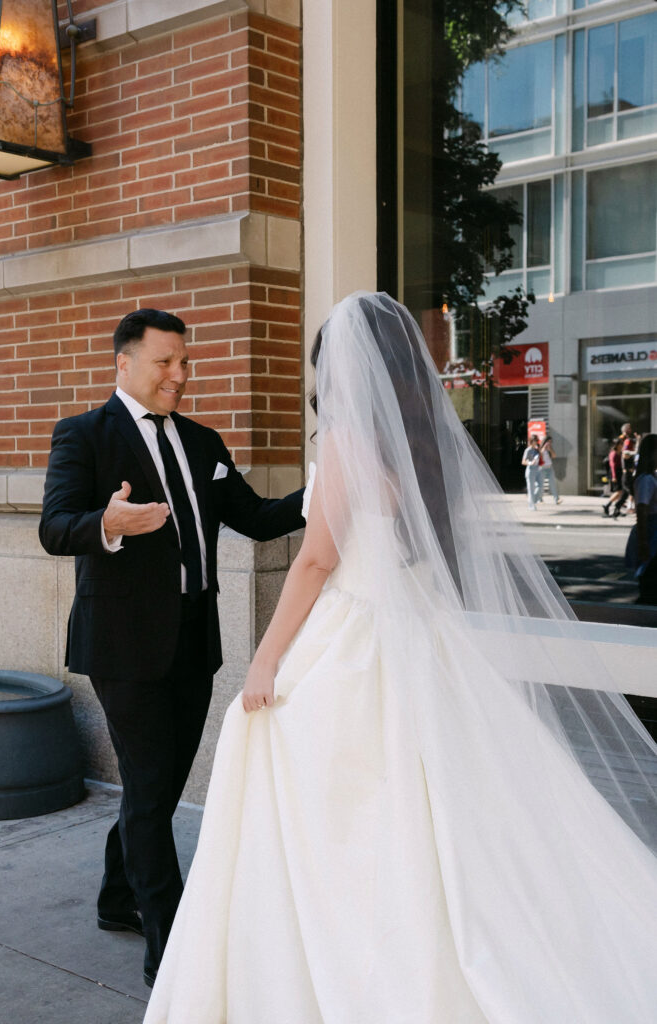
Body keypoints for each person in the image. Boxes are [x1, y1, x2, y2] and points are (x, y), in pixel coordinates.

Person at [143, 293, 657, 1024]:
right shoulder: (422, 445)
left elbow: (316, 560)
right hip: (419, 637)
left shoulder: (350, 439)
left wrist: (264, 661)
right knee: (434, 806)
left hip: (352, 637)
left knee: (297, 774)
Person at [38, 309, 305, 988]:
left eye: (185, 362)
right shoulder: (84, 436)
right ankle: (170, 945)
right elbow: (54, 526)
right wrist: (108, 522)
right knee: (152, 786)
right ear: (124, 363)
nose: (180, 376)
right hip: (123, 647)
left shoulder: (204, 441)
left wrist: (328, 489)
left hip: (195, 642)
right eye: (165, 363)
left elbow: (259, 518)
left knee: (151, 789)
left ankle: (113, 897)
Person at [625, 433, 657, 604]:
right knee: (650, 576)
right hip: (651, 531)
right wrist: (644, 542)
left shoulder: (651, 477)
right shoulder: (646, 480)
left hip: (652, 530)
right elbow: (642, 510)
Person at [603, 437, 624, 516]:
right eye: (621, 444)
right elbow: (613, 465)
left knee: (620, 492)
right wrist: (614, 476)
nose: (622, 445)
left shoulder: (620, 452)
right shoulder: (613, 453)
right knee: (619, 491)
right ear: (617, 445)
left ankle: (616, 509)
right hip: (615, 474)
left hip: (620, 473)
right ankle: (607, 505)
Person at [521, 433, 542, 510]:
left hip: (538, 470)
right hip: (530, 470)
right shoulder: (528, 450)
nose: (536, 442)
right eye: (534, 440)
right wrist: (530, 463)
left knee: (540, 486)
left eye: (536, 440)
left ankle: (534, 500)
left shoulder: (537, 450)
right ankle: (531, 505)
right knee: (531, 489)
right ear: (531, 441)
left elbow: (541, 458)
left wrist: (539, 450)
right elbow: (523, 461)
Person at [538, 435, 561, 504]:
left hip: (549, 468)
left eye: (551, 442)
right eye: (548, 441)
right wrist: (544, 448)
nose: (550, 443)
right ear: (545, 441)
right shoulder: (540, 447)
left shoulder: (550, 448)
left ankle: (556, 499)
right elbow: (539, 456)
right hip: (542, 468)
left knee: (552, 483)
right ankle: (540, 499)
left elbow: (554, 456)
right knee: (541, 484)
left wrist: (550, 449)